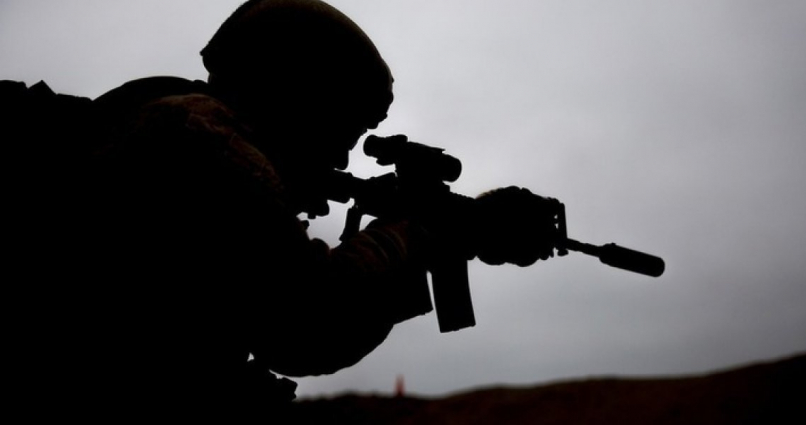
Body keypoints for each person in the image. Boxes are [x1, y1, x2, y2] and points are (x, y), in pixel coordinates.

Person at [8, 0, 557, 421]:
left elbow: (300, 326)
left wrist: (447, 234)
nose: (341, 158)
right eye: (342, 130)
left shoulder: (175, 123)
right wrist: (410, 237)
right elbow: (305, 326)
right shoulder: (203, 137)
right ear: (297, 94)